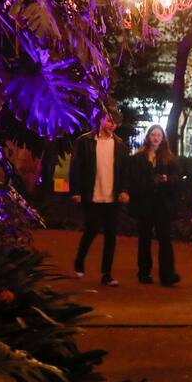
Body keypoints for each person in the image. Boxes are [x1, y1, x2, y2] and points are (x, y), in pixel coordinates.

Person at [69, 107, 131, 286]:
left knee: (111, 235)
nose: (112, 125)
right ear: (101, 120)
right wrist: (76, 191)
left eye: (115, 122)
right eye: (109, 120)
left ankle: (107, 273)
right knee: (91, 230)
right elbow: (76, 167)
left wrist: (124, 190)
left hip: (112, 196)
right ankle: (80, 260)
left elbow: (124, 170)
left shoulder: (120, 145)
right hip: (92, 194)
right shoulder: (85, 141)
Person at [130, 124, 182, 286]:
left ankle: (167, 274)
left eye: (159, 135)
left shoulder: (169, 158)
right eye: (153, 134)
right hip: (145, 202)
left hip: (162, 203)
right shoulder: (139, 158)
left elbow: (178, 178)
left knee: (165, 238)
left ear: (163, 138)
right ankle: (144, 272)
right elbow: (134, 180)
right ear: (148, 136)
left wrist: (168, 180)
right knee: (144, 238)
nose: (156, 138)